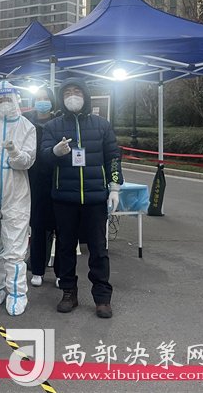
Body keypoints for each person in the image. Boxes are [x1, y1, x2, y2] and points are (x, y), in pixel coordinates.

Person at [40, 77, 123, 319]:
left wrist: (115, 187)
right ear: (61, 97)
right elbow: (43, 158)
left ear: (85, 95)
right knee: (65, 247)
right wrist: (55, 152)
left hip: (95, 198)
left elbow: (113, 157)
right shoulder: (53, 126)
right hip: (64, 198)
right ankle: (68, 292)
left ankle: (102, 297)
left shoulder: (101, 125)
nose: (72, 96)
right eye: (67, 92)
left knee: (98, 249)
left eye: (77, 91)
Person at [0, 81, 36, 316]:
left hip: (16, 194)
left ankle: (17, 292)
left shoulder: (26, 126)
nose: (3, 103)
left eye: (7, 99)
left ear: (15, 99)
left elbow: (27, 161)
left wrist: (15, 153)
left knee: (14, 247)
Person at [24, 87, 58, 287]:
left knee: (60, 227)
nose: (42, 101)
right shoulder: (26, 120)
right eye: (39, 98)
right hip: (33, 178)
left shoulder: (59, 121)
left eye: (46, 98)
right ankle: (37, 268)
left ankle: (61, 272)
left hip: (57, 178)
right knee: (37, 226)